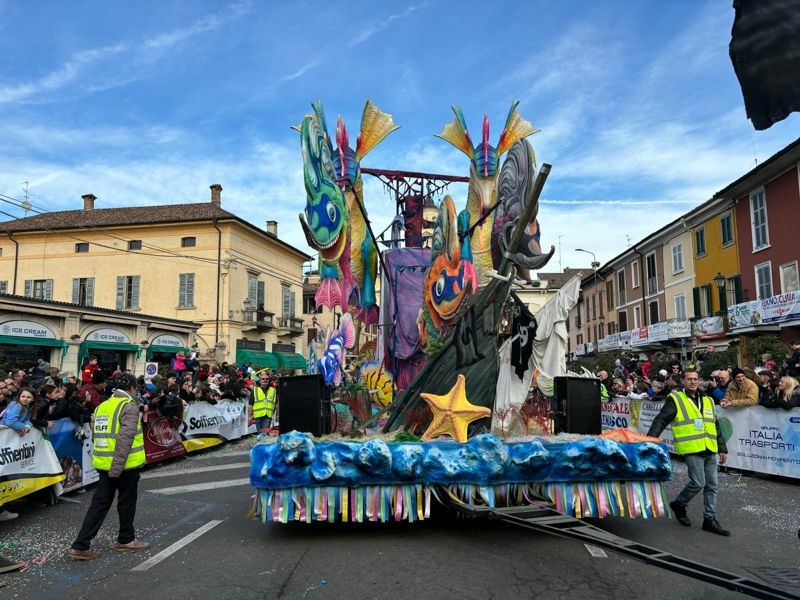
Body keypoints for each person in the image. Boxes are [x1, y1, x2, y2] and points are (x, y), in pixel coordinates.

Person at [68, 373, 149, 560]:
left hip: (104, 464)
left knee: (99, 504)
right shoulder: (128, 406)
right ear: (131, 388)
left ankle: (81, 545)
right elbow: (125, 439)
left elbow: (97, 436)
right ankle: (126, 539)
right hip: (124, 465)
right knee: (126, 502)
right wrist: (117, 467)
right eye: (135, 387)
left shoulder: (102, 406)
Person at [647, 369, 730, 536]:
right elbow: (662, 419)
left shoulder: (706, 399)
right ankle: (679, 504)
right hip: (692, 448)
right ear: (683, 381)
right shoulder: (676, 399)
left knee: (712, 485)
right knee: (698, 483)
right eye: (689, 379)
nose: (693, 382)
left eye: (696, 379)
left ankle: (709, 519)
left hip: (710, 447)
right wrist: (651, 438)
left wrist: (722, 448)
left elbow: (715, 425)